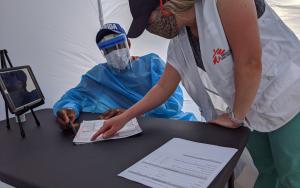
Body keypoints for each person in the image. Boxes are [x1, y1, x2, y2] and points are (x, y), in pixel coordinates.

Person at [91, 1, 300, 188]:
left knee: (292, 175)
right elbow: (164, 87)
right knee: (267, 170)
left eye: (149, 21)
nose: (150, 29)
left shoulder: (225, 3)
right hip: (249, 109)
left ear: (164, 5)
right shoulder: (181, 40)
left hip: (287, 98)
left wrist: (235, 116)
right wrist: (125, 117)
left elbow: (250, 63)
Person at [53, 23, 196, 129]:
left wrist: (135, 114)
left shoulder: (151, 63)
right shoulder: (98, 76)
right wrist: (69, 109)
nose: (115, 52)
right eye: (108, 49)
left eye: (119, 45)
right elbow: (73, 97)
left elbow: (173, 103)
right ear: (102, 53)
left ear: (128, 43)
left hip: (163, 126)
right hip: (125, 132)